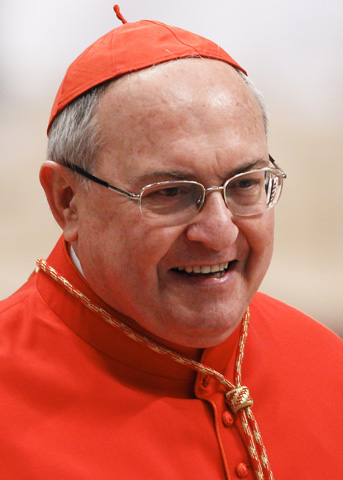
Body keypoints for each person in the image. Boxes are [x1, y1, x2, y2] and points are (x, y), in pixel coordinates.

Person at [1, 5, 342, 480]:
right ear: (67, 201)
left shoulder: (327, 365)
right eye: (171, 193)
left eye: (245, 183)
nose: (220, 232)